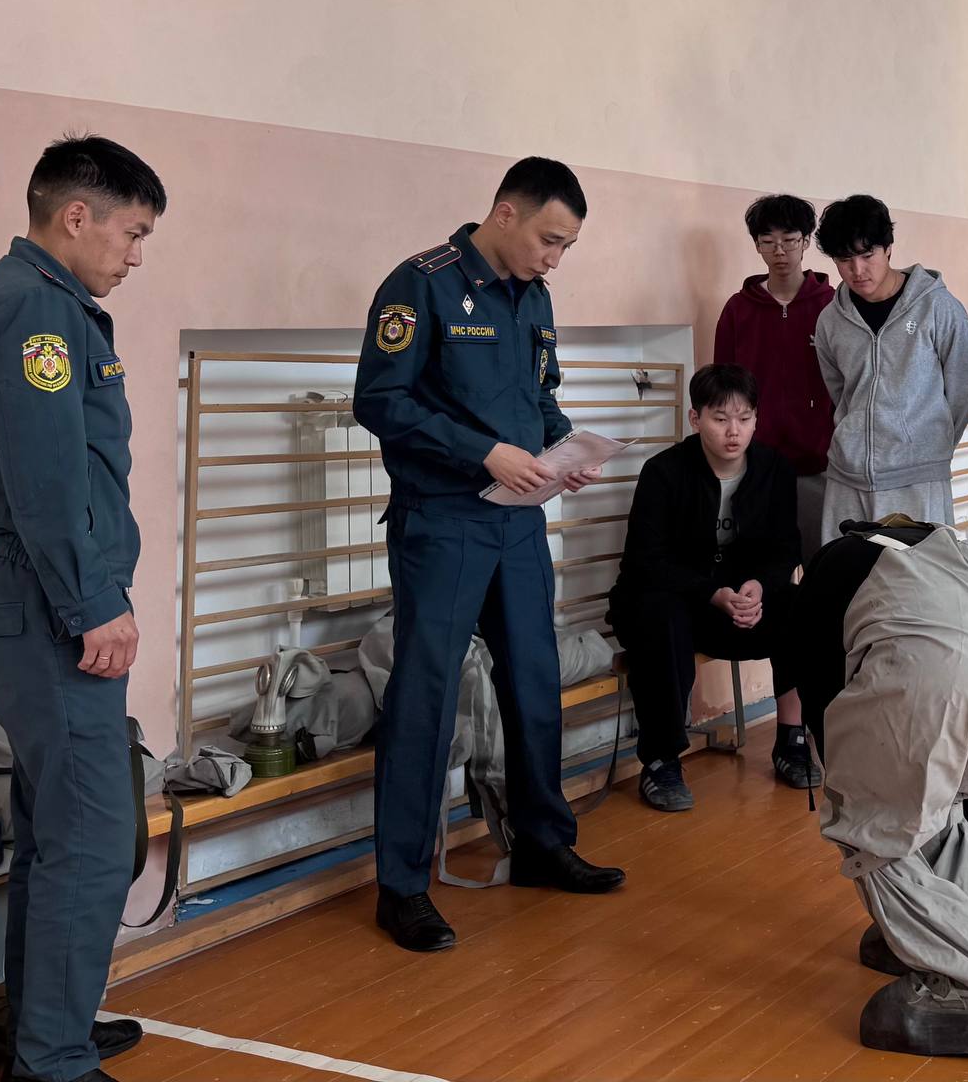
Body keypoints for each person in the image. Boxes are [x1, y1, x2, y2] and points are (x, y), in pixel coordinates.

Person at [354, 157, 625, 954]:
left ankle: (541, 842)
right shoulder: (422, 284)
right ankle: (402, 886)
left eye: (567, 246)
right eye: (549, 240)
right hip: (443, 519)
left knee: (535, 680)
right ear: (506, 213)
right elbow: (379, 400)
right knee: (426, 697)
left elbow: (539, 396)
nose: (555, 259)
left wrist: (563, 447)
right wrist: (482, 452)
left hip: (518, 522)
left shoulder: (533, 295)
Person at [0, 135, 164, 1081]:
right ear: (77, 216)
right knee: (92, 843)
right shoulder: (36, 308)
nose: (136, 255)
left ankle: (45, 1026)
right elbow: (45, 481)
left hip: (37, 597)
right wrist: (92, 605)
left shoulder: (32, 299)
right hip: (50, 604)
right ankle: (54, 1061)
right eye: (132, 232)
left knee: (56, 836)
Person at [788, 518, 968, 1057]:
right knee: (945, 804)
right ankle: (931, 939)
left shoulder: (820, 587)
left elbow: (823, 708)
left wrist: (850, 790)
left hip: (942, 658)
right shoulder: (910, 551)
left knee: (872, 822)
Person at [606, 364, 813, 809]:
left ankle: (792, 737)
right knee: (661, 619)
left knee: (803, 606)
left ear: (757, 419)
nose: (733, 431)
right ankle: (661, 760)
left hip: (739, 601)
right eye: (720, 419)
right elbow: (645, 561)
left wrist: (759, 587)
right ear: (695, 419)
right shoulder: (663, 472)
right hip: (676, 600)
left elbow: (785, 549)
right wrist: (710, 594)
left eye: (744, 418)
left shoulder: (775, 468)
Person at [811, 194, 968, 538]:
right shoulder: (831, 320)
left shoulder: (938, 308)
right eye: (844, 259)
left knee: (919, 571)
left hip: (918, 479)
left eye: (867, 255)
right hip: (848, 477)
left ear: (888, 248)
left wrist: (927, 449)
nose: (857, 270)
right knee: (848, 572)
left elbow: (962, 391)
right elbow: (840, 392)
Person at [713, 194, 837, 560]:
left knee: (822, 561)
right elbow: (723, 386)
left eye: (789, 240)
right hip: (755, 463)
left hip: (819, 463)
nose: (779, 251)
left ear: (806, 241)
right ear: (757, 245)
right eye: (768, 241)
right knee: (759, 565)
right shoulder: (738, 309)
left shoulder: (831, 305)